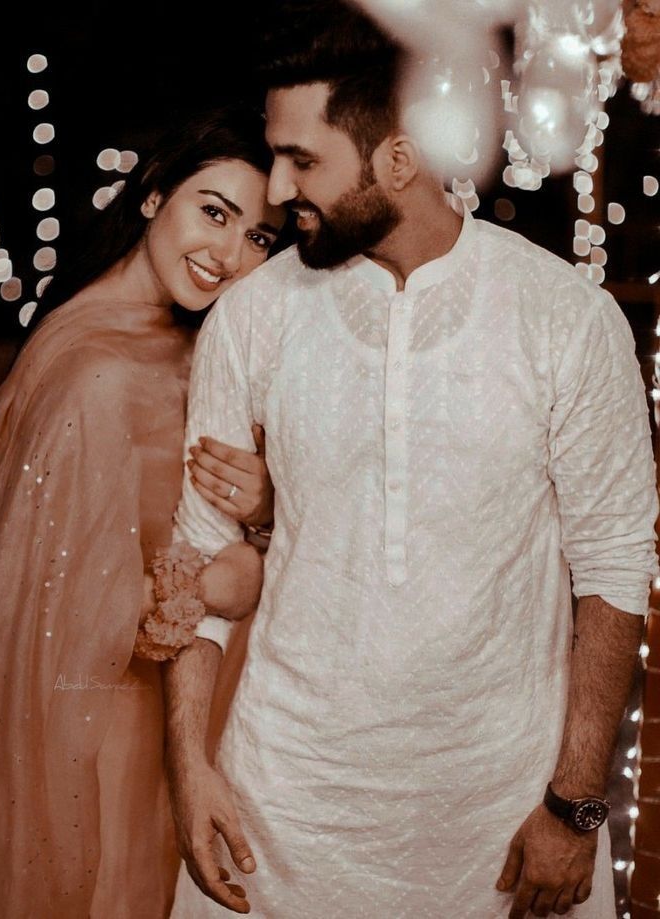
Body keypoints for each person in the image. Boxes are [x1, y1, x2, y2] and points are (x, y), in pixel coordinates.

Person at [162, 4, 659, 918]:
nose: (276, 189)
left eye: (302, 160)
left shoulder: (565, 319)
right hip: (281, 817)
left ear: (398, 157)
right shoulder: (254, 316)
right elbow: (199, 555)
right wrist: (191, 769)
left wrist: (576, 806)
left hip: (499, 824)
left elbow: (615, 567)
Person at [0, 104, 286, 918]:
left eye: (259, 238)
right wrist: (235, 578)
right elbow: (70, 616)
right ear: (154, 194)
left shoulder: (171, 340)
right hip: (101, 733)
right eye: (214, 213)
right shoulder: (94, 370)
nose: (228, 255)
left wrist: (262, 508)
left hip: (161, 720)